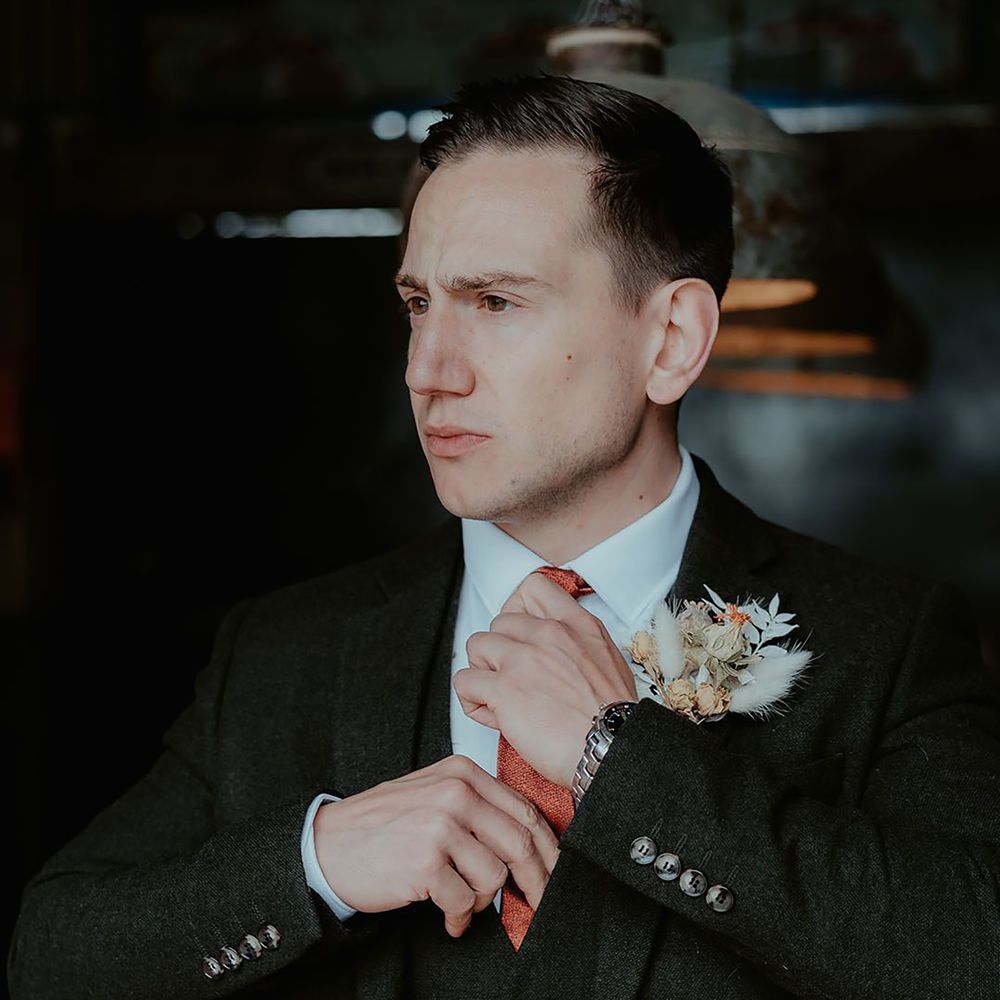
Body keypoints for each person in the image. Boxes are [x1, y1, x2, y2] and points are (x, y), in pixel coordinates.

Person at [8, 75, 999, 1000]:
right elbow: (51, 955)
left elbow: (971, 946)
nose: (427, 368)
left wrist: (625, 763)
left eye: (495, 302)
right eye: (417, 303)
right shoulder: (284, 651)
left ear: (671, 341)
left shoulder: (887, 643)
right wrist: (318, 864)